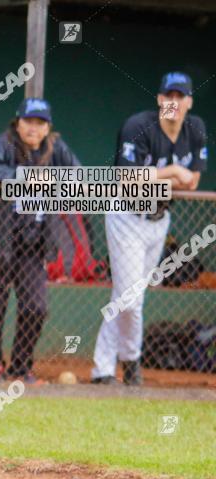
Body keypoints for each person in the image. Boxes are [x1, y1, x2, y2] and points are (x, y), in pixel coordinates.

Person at [91, 72, 208, 386]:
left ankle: (104, 369)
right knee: (131, 298)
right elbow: (127, 181)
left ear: (189, 102)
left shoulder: (195, 129)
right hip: (127, 216)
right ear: (159, 100)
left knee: (127, 295)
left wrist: (153, 179)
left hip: (159, 222)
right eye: (168, 96)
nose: (173, 102)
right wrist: (169, 171)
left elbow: (193, 180)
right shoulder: (137, 126)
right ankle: (130, 363)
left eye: (180, 96)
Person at [0, 98, 82, 385]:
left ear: (47, 128)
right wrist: (26, 177)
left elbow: (78, 177)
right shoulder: (5, 144)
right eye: (28, 122)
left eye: (40, 123)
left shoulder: (55, 147)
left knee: (36, 306)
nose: (34, 128)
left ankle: (20, 366)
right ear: (18, 123)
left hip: (32, 243)